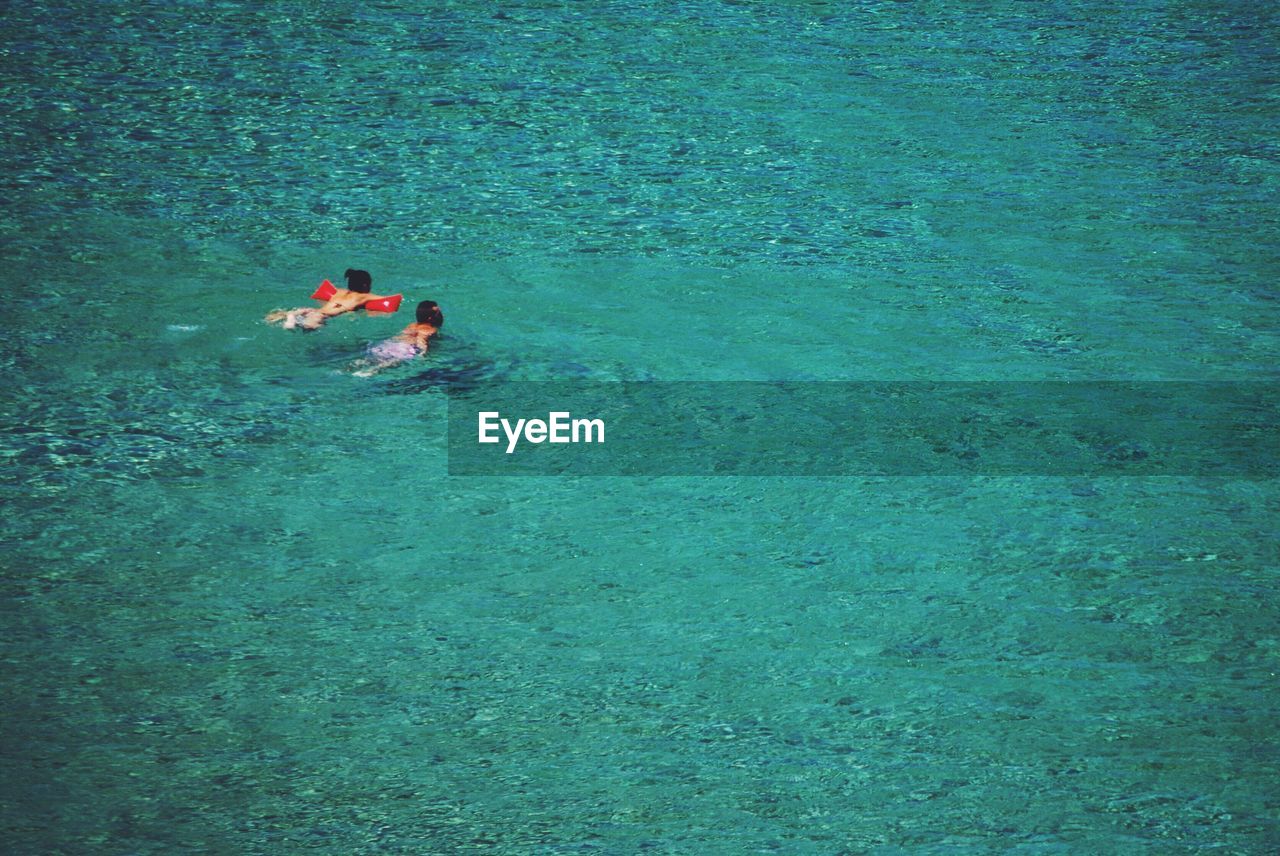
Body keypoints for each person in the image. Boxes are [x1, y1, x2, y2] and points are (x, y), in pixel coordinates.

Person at [265, 269, 397, 331]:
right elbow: (385, 300)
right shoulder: (364, 296)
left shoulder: (339, 291)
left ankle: (291, 314)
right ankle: (291, 318)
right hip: (321, 315)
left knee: (301, 319)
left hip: (314, 311)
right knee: (309, 328)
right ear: (365, 285)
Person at [351, 300, 444, 376]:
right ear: (430, 318)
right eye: (438, 312)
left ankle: (355, 364)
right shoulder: (430, 329)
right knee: (392, 362)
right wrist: (423, 353)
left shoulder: (412, 325)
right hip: (405, 348)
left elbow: (401, 335)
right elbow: (421, 339)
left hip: (390, 344)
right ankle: (371, 371)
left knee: (372, 360)